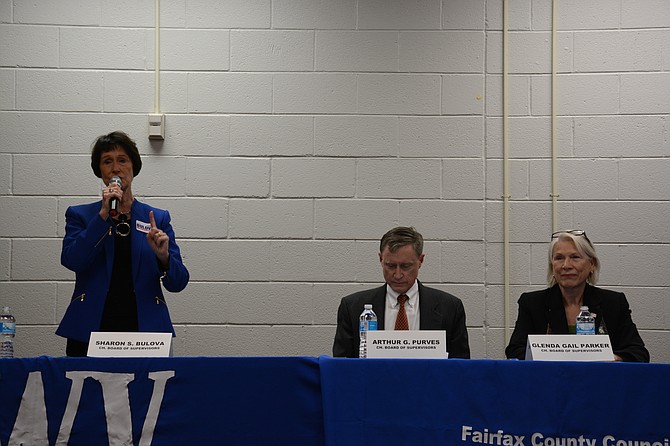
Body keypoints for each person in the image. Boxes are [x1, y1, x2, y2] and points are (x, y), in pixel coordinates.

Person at [57, 131, 189, 356]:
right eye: (107, 161)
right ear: (100, 171)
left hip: (146, 333)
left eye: (122, 160)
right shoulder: (82, 215)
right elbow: (73, 260)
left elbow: (178, 282)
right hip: (90, 330)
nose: (115, 168)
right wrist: (103, 217)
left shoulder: (157, 218)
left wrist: (164, 257)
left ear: (133, 167)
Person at [505, 230, 649, 362]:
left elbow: (638, 353)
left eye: (575, 257)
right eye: (559, 258)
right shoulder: (532, 303)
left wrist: (611, 359)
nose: (566, 265)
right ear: (552, 265)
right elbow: (514, 351)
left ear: (591, 264)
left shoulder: (614, 303)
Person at [332, 226, 470, 358]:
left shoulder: (450, 308)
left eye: (406, 266)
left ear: (421, 261)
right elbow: (342, 367)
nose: (398, 275)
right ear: (381, 259)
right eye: (390, 266)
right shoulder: (353, 308)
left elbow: (460, 369)